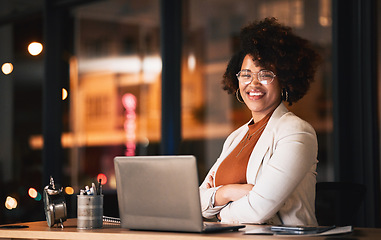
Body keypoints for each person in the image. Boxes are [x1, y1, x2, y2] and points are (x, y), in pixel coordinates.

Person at [199, 17, 321, 226]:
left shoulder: (297, 132)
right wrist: (229, 192)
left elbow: (259, 210)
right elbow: (196, 203)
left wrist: (218, 211)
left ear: (284, 79)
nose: (253, 83)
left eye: (265, 74)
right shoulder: (235, 138)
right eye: (246, 74)